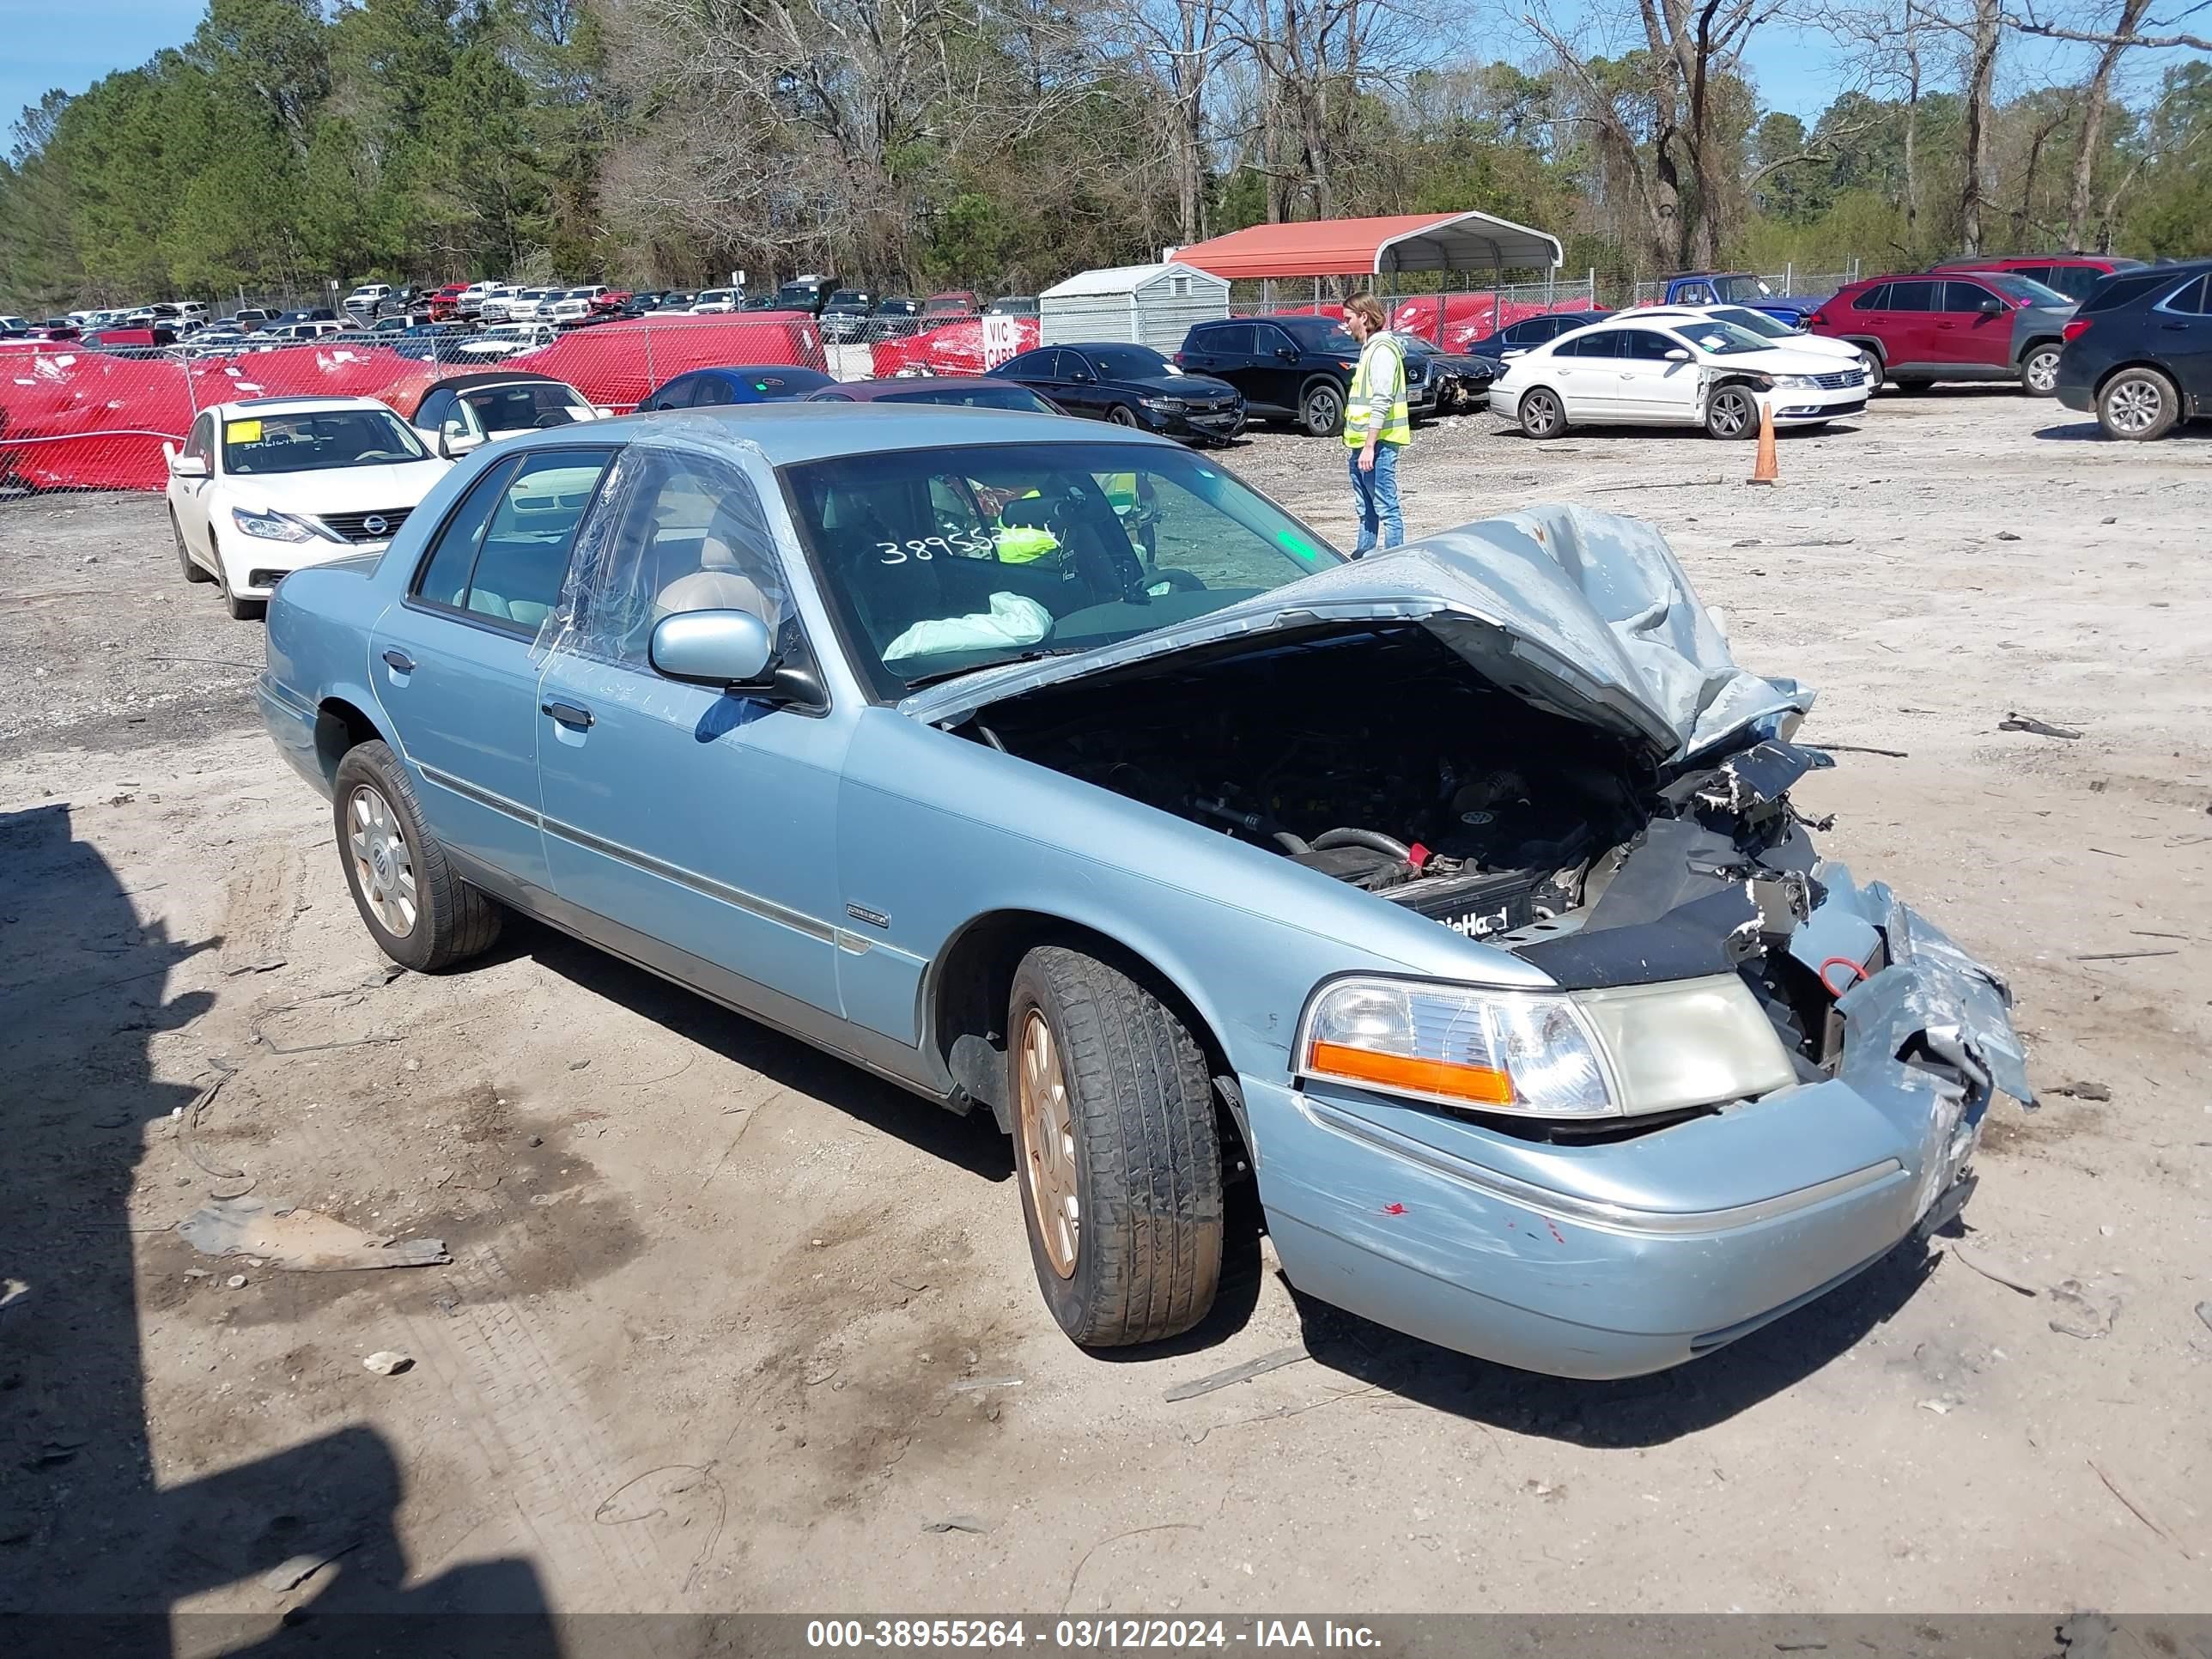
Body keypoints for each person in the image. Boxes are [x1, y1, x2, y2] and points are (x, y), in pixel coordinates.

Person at [1341, 293, 1410, 556]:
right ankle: (1363, 557)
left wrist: (1370, 445)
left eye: (1348, 318)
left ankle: (1393, 563)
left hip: (1378, 445)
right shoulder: (1369, 349)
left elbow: (1382, 399)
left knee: (1386, 508)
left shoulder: (1382, 351)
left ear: (1364, 317)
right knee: (1366, 509)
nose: (1345, 323)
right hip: (1363, 446)